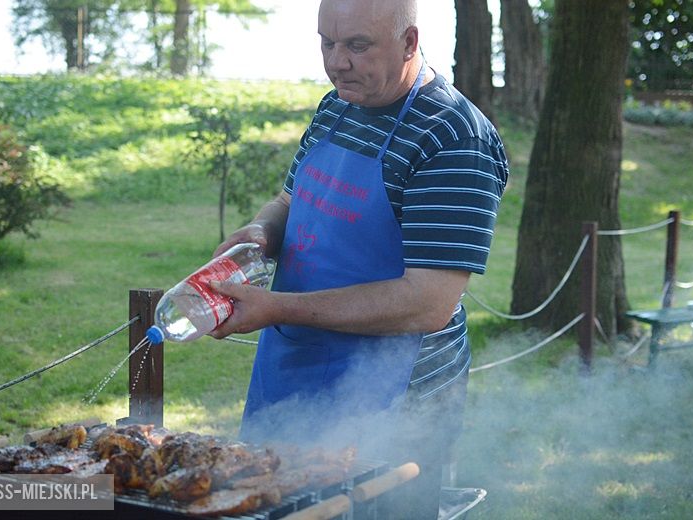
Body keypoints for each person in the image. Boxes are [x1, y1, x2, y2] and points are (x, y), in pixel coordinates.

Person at [209, 0, 508, 517]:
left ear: (410, 42)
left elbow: (427, 304)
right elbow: (288, 201)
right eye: (327, 42)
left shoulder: (455, 139)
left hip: (392, 403)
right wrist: (260, 234)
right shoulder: (338, 105)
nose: (336, 62)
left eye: (357, 45)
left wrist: (276, 308)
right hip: (293, 369)